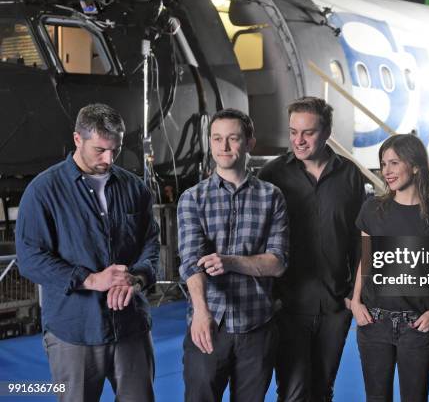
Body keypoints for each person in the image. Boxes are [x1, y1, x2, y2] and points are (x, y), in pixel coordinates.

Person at [16, 103, 159, 402]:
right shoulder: (43, 191)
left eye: (115, 150)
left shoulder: (135, 188)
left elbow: (151, 244)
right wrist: (92, 280)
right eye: (100, 150)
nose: (108, 159)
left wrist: (137, 279)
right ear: (77, 140)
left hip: (131, 326)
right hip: (74, 331)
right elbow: (31, 259)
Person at [178, 108, 289, 402]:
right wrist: (201, 312)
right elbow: (191, 262)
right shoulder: (193, 198)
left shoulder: (271, 197)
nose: (223, 147)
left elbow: (277, 263)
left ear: (249, 142)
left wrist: (228, 262)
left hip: (257, 325)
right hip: (208, 325)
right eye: (216, 139)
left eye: (232, 138)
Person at [258, 96, 365, 401]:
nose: (299, 140)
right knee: (292, 391)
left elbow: (359, 240)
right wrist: (270, 296)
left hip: (335, 303)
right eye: (293, 132)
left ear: (327, 132)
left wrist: (354, 296)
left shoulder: (350, 175)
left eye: (308, 132)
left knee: (323, 388)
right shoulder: (272, 175)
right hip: (288, 304)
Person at [350, 134, 429, 402]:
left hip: (417, 327)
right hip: (374, 323)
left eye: (394, 163)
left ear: (416, 166)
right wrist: (355, 302)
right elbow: (366, 260)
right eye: (383, 164)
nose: (386, 171)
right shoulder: (373, 209)